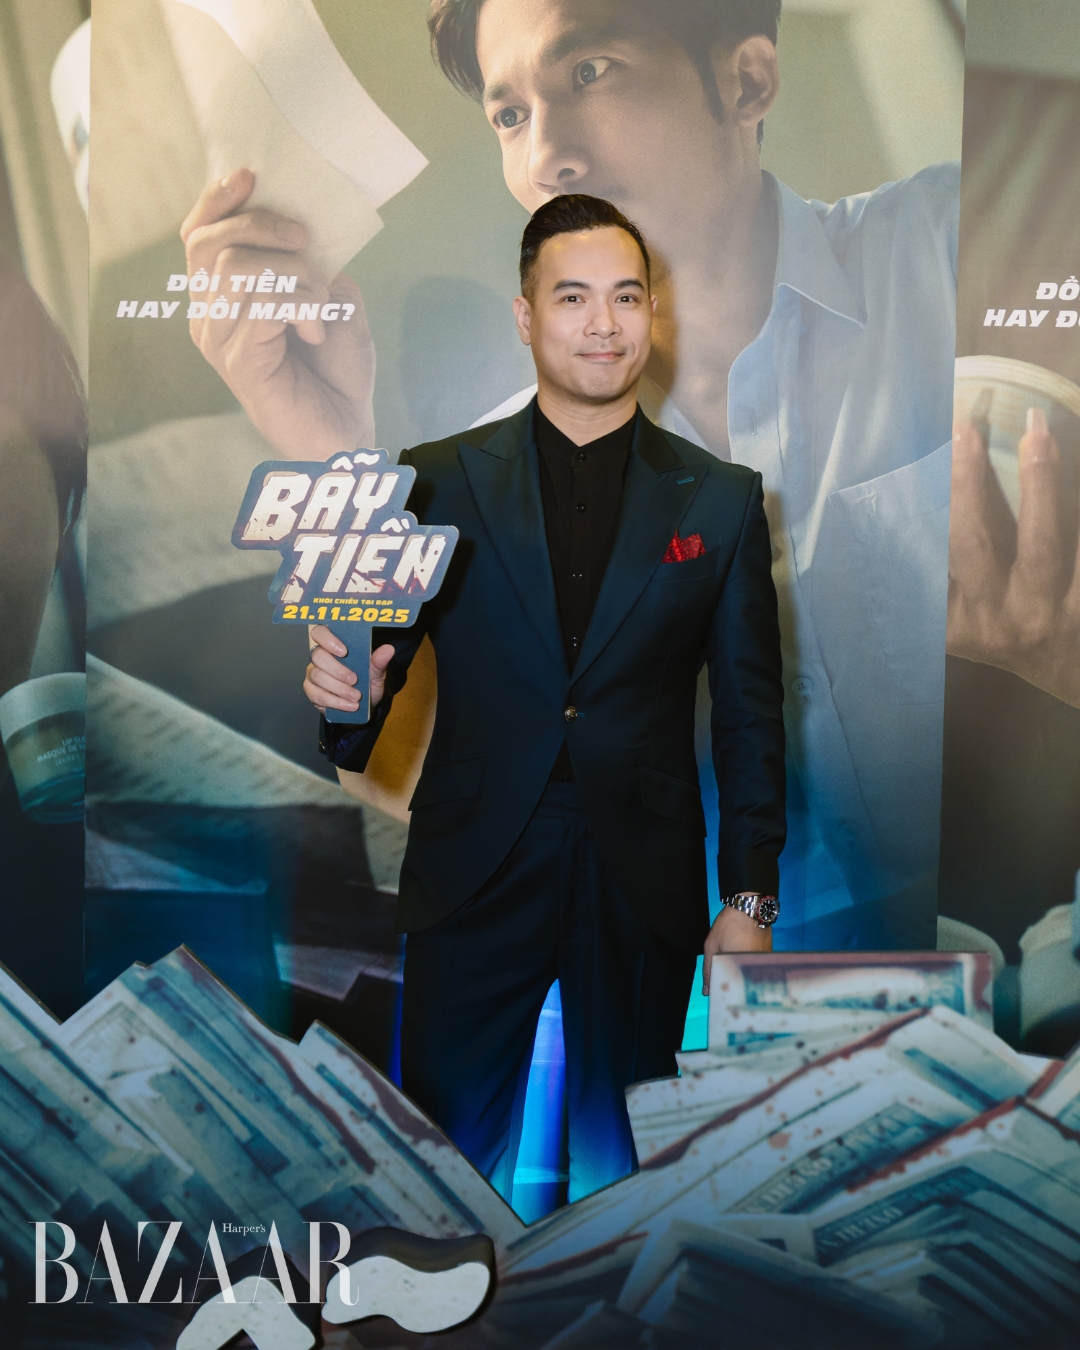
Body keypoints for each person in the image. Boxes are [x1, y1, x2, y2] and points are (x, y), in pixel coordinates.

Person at [180, 0, 961, 952]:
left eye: (590, 72)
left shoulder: (947, 250)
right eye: (510, 115)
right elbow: (405, 768)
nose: (546, 158)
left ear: (746, 79)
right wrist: (328, 450)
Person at [303, 195, 786, 1200]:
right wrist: (347, 697)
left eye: (625, 297)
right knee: (440, 1174)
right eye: (573, 298)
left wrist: (748, 899)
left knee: (626, 1177)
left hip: (642, 876)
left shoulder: (723, 499)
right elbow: (368, 683)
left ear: (652, 314)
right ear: (526, 316)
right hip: (474, 865)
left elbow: (751, 713)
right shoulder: (432, 479)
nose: (602, 323)